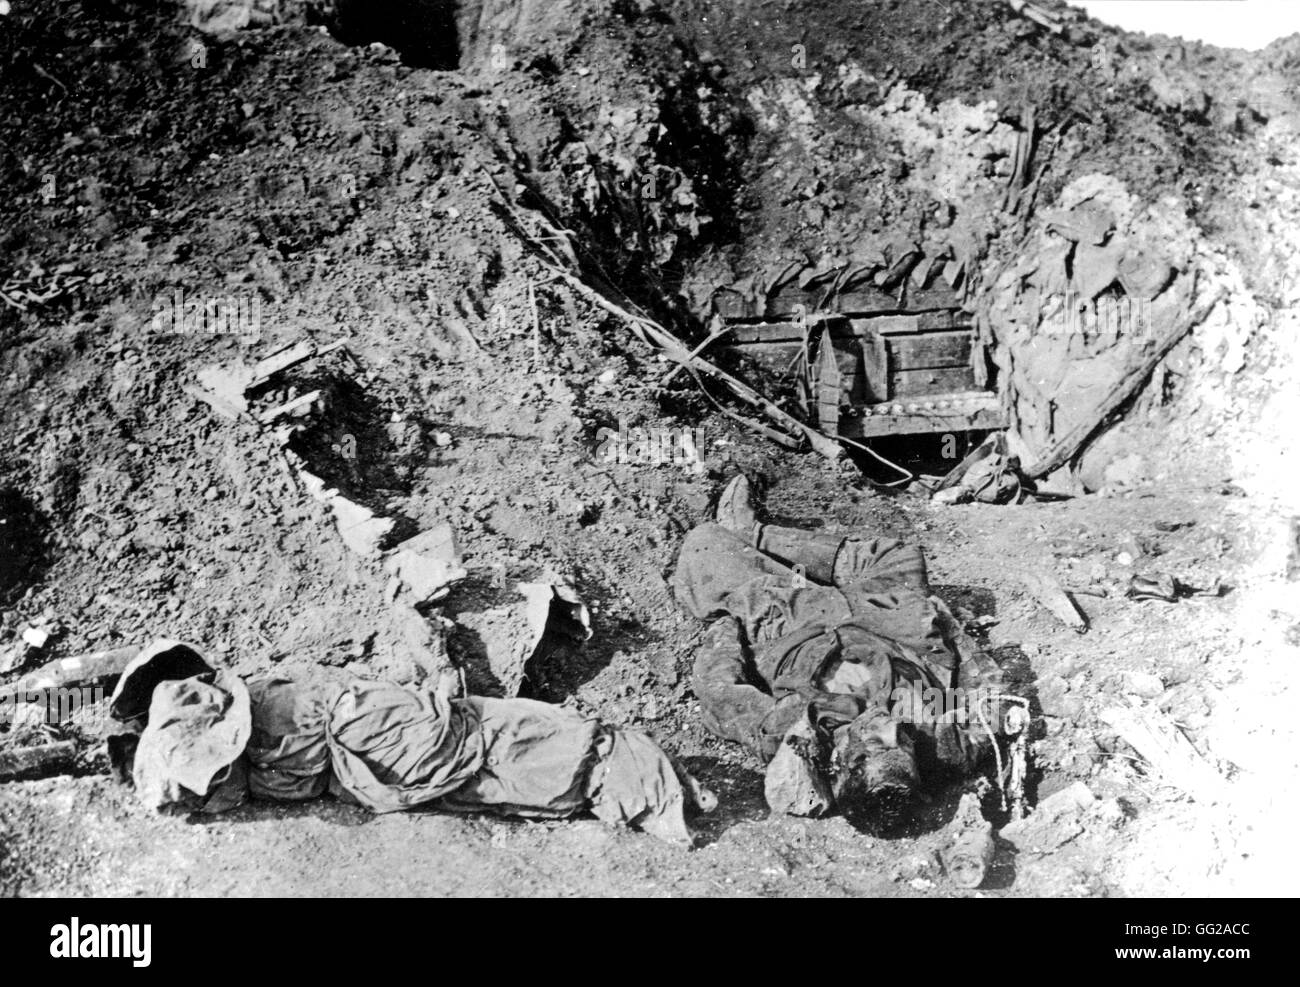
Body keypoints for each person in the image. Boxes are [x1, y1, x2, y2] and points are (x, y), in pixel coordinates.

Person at [109, 639, 713, 845]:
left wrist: (394, 779)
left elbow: (436, 742)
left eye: (206, 791)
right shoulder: (253, 757)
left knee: (517, 759)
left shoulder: (315, 716)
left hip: (390, 733)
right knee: (491, 781)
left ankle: (644, 777)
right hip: (376, 754)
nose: (211, 803)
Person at [671, 475, 1003, 828]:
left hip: (792, 622)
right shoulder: (944, 749)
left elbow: (719, 691)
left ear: (842, 762)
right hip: (881, 616)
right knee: (903, 558)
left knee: (703, 547)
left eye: (878, 742)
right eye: (903, 742)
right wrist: (946, 623)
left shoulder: (792, 730)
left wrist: (730, 626)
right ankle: (754, 535)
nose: (891, 725)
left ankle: (746, 543)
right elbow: (991, 697)